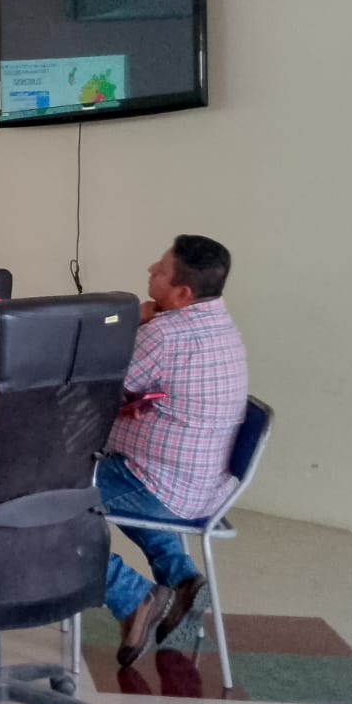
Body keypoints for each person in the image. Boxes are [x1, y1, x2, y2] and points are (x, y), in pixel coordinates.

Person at [102, 236, 248, 668]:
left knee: (44, 500)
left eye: (161, 270)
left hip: (160, 487)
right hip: (204, 488)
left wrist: (129, 319)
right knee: (99, 477)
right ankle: (182, 579)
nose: (151, 269)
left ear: (183, 293)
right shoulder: (222, 325)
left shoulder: (165, 335)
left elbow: (95, 379)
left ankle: (133, 597)